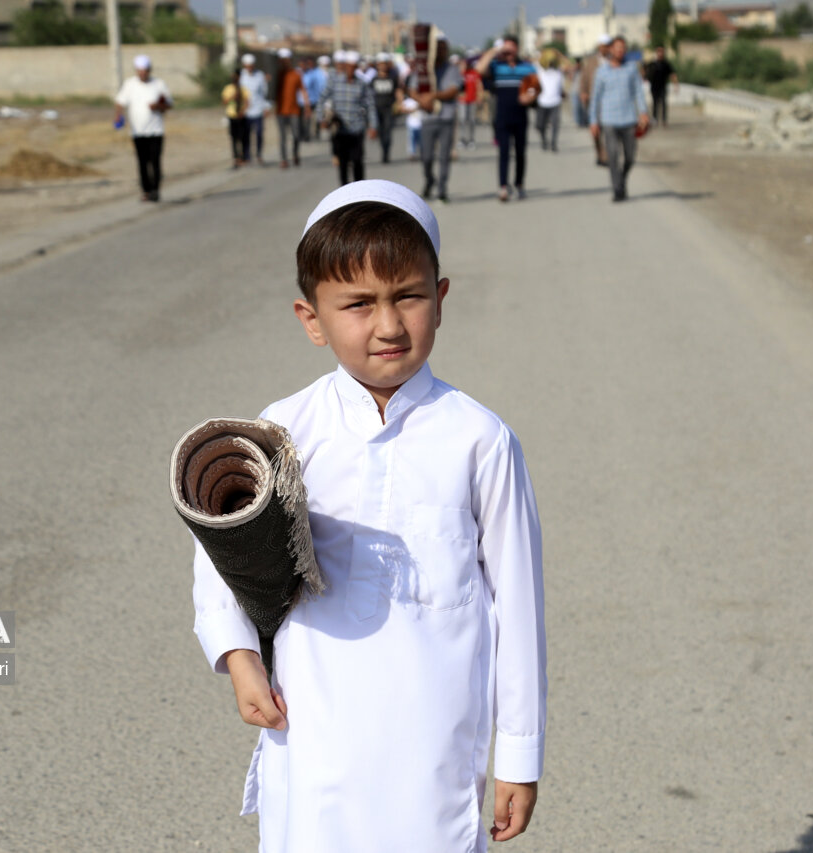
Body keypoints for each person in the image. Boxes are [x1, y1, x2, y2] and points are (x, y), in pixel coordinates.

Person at [191, 178, 547, 852]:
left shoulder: (479, 439)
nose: (388, 324)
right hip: (314, 731)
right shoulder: (283, 429)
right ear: (312, 318)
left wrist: (520, 756)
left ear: (440, 299)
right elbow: (223, 559)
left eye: (407, 296)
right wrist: (239, 658)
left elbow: (519, 609)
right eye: (358, 304)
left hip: (434, 744)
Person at [476, 34, 538, 202]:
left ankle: (519, 185)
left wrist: (530, 97)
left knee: (520, 152)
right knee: (503, 152)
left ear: (518, 48)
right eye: (507, 48)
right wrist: (496, 50)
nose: (509, 51)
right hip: (502, 117)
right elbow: (480, 70)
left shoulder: (527, 67)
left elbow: (535, 86)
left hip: (521, 117)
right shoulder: (496, 66)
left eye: (512, 48)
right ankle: (503, 186)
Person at [588, 36, 649, 202]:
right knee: (613, 156)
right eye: (617, 47)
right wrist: (593, 121)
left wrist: (643, 112)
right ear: (610, 50)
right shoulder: (601, 72)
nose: (620, 50)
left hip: (629, 119)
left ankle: (622, 178)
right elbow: (595, 98)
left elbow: (638, 92)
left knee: (630, 157)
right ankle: (618, 190)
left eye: (623, 47)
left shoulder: (631, 69)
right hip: (609, 121)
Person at [407, 37, 461, 203]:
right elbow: (412, 89)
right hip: (428, 118)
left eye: (444, 49)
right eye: (438, 49)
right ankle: (430, 180)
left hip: (446, 117)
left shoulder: (452, 69)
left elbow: (453, 90)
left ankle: (442, 189)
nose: (441, 52)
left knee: (444, 156)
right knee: (427, 156)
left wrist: (434, 95)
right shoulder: (423, 70)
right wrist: (422, 100)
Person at [113, 54, 172, 202]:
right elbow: (120, 101)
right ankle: (146, 191)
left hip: (156, 131)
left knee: (155, 161)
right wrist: (118, 116)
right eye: (140, 71)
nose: (143, 73)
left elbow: (168, 105)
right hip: (138, 132)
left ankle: (155, 190)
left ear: (149, 70)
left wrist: (158, 106)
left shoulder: (159, 84)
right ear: (136, 71)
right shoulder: (129, 84)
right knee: (142, 162)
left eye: (145, 70)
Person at [319, 51, 378, 185]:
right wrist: (321, 119)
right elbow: (322, 98)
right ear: (345, 66)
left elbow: (371, 106)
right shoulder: (334, 83)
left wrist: (373, 126)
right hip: (341, 130)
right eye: (348, 66)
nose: (350, 69)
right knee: (343, 162)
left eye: (353, 66)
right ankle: (344, 191)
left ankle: (359, 190)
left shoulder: (362, 84)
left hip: (357, 129)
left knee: (357, 161)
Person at [578, 35, 611, 165]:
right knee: (596, 131)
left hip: (609, 101)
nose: (604, 49)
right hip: (594, 101)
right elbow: (584, 78)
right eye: (602, 46)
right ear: (599, 47)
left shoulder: (613, 61)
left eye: (606, 46)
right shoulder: (591, 62)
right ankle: (600, 153)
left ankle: (608, 155)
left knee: (609, 130)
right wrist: (583, 92)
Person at [274, 48, 308, 169]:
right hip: (280, 111)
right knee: (283, 136)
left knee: (296, 135)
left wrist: (307, 106)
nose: (284, 62)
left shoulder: (296, 74)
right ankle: (283, 159)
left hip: (294, 110)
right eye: (282, 60)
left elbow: (303, 90)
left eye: (286, 60)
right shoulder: (277, 75)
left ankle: (295, 154)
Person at [370, 52, 401, 163]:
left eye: (385, 64)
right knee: (381, 131)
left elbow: (398, 91)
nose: (383, 66)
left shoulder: (392, 78)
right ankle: (383, 149)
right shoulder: (373, 79)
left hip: (389, 109)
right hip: (377, 108)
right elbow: (369, 95)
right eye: (380, 64)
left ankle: (386, 152)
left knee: (388, 131)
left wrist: (399, 103)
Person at [239, 54, 270, 165]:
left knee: (259, 133)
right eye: (247, 66)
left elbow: (264, 93)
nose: (249, 68)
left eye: (251, 65)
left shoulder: (260, 75)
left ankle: (259, 154)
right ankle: (246, 155)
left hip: (258, 109)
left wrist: (266, 107)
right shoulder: (241, 76)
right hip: (245, 111)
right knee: (245, 135)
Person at [534, 49, 565, 152]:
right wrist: (545, 53)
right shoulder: (540, 70)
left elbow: (568, 63)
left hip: (555, 102)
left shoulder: (558, 71)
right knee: (540, 125)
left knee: (556, 124)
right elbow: (536, 60)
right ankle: (544, 140)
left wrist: (557, 53)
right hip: (542, 102)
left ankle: (553, 143)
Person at [221, 67, 250, 169]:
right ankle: (236, 158)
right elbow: (224, 102)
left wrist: (242, 111)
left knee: (242, 138)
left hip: (241, 116)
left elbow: (247, 102)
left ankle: (243, 156)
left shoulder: (243, 89)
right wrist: (233, 97)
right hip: (232, 115)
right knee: (233, 138)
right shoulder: (228, 88)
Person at [643, 45, 679, 127]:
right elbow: (644, 69)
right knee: (655, 103)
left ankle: (664, 120)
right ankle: (655, 119)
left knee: (663, 103)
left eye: (662, 51)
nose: (660, 53)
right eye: (658, 51)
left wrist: (676, 85)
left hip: (663, 87)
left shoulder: (666, 64)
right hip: (654, 87)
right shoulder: (652, 63)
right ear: (656, 53)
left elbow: (672, 74)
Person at [457, 53, 483, 149]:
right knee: (462, 119)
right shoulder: (461, 73)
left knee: (471, 120)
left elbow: (479, 85)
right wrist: (462, 67)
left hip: (472, 99)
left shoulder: (474, 73)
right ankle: (462, 139)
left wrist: (480, 96)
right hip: (462, 99)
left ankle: (471, 139)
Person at [303, 56, 330, 141]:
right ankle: (309, 134)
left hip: (326, 99)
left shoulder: (330, 73)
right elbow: (307, 84)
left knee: (324, 116)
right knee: (312, 117)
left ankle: (320, 132)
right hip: (315, 98)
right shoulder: (314, 73)